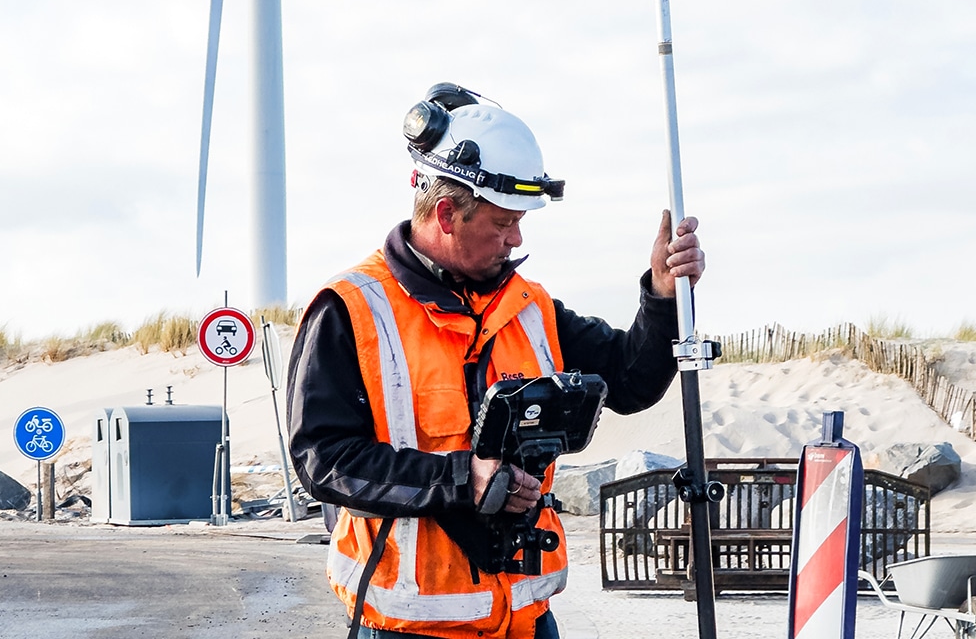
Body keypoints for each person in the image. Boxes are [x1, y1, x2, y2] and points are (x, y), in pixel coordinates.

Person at [286, 82, 706, 639]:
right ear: (446, 214)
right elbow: (324, 460)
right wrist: (463, 480)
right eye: (503, 222)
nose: (516, 237)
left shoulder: (529, 307)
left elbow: (631, 381)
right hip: (409, 625)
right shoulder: (352, 311)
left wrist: (660, 294)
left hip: (526, 621)